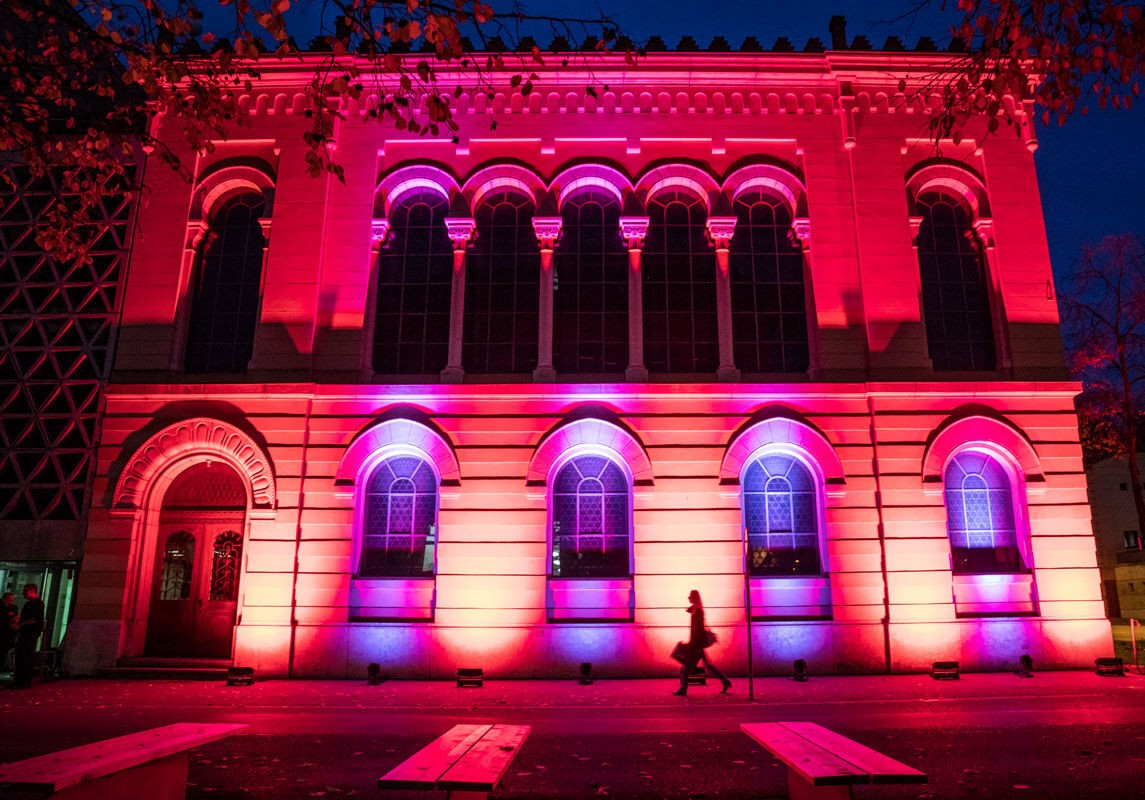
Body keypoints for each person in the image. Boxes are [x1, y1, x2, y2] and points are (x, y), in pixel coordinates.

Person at [672, 589, 732, 696]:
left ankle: (683, 689)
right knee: (706, 665)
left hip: (696, 644)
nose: (688, 598)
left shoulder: (698, 610)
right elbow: (696, 627)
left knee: (687, 665)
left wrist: (692, 643)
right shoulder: (696, 609)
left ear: (694, 597)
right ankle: (725, 681)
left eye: (690, 596)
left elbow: (698, 629)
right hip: (696, 643)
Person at [12, 583, 44, 689]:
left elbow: (36, 619)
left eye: (24, 591)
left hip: (30, 633)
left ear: (31, 591)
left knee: (25, 656)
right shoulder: (28, 604)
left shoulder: (37, 604)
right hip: (24, 632)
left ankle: (24, 681)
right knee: (20, 655)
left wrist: (20, 624)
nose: (22, 593)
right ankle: (19, 680)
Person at [0, 593, 17, 673]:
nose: (10, 602)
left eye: (11, 600)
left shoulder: (13, 607)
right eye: (9, 600)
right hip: (2, 631)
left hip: (7, 634)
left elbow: (16, 617)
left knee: (3, 652)